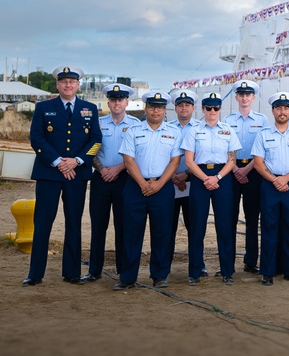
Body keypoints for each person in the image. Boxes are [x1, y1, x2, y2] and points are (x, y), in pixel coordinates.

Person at [23, 65, 101, 287]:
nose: (68, 85)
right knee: (43, 223)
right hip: (49, 173)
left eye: (72, 82)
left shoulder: (90, 108)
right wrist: (58, 162)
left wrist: (76, 161)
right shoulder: (43, 107)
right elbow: (36, 139)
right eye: (64, 81)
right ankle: (35, 274)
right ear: (57, 85)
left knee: (74, 223)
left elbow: (96, 141)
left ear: (78, 85)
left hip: (77, 174)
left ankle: (72, 272)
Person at [116, 90, 182, 290]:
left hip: (162, 188)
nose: (156, 110)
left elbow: (175, 161)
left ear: (165, 110)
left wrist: (159, 184)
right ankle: (127, 278)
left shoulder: (174, 132)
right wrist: (144, 185)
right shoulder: (134, 131)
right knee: (131, 233)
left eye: (160, 107)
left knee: (162, 233)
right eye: (152, 106)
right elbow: (128, 160)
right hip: (136, 187)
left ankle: (159, 275)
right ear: (146, 108)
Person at [181, 91, 239, 285]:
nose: (212, 111)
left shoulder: (228, 130)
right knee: (197, 226)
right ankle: (195, 271)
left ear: (220, 109)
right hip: (200, 178)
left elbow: (232, 160)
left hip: (223, 177)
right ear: (203, 109)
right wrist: (207, 178)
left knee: (225, 226)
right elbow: (189, 161)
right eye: (208, 108)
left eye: (216, 107)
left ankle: (227, 271)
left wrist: (218, 178)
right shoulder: (194, 130)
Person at [252, 92, 289, 285]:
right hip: (269, 186)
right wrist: (275, 180)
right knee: (268, 229)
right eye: (279, 108)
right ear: (273, 111)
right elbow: (258, 163)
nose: (282, 112)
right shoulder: (263, 134)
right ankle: (267, 271)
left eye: (286, 108)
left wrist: (286, 178)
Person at [84, 83, 138, 282]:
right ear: (108, 102)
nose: (117, 103)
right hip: (100, 178)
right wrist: (102, 169)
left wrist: (117, 169)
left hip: (125, 179)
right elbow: (89, 150)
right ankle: (94, 270)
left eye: (120, 99)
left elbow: (136, 154)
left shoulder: (135, 124)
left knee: (123, 226)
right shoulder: (97, 124)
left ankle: (123, 270)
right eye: (113, 100)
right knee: (98, 226)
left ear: (127, 102)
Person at [223, 80, 267, 274]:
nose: (244, 98)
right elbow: (224, 147)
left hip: (253, 171)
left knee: (252, 219)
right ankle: (228, 263)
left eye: (248, 94)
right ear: (236, 97)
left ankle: (251, 261)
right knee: (228, 219)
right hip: (231, 172)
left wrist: (246, 170)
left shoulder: (263, 120)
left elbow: (262, 150)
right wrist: (234, 169)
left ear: (253, 97)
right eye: (241, 94)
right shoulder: (227, 120)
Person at [167, 88, 198, 275]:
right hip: (169, 183)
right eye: (180, 105)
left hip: (193, 184)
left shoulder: (201, 128)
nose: (184, 108)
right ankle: (165, 265)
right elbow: (162, 154)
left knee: (194, 226)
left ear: (193, 108)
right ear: (175, 108)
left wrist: (186, 174)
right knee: (167, 227)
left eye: (187, 105)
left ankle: (196, 265)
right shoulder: (168, 129)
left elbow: (202, 156)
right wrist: (173, 176)